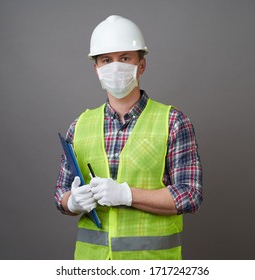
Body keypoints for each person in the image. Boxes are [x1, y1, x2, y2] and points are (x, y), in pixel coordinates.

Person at [54, 15, 203, 260]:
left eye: (124, 58)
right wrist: (72, 202)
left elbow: (190, 195)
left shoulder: (173, 122)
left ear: (141, 65)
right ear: (96, 69)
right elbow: (61, 191)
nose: (115, 66)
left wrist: (127, 195)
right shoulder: (79, 125)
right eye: (106, 60)